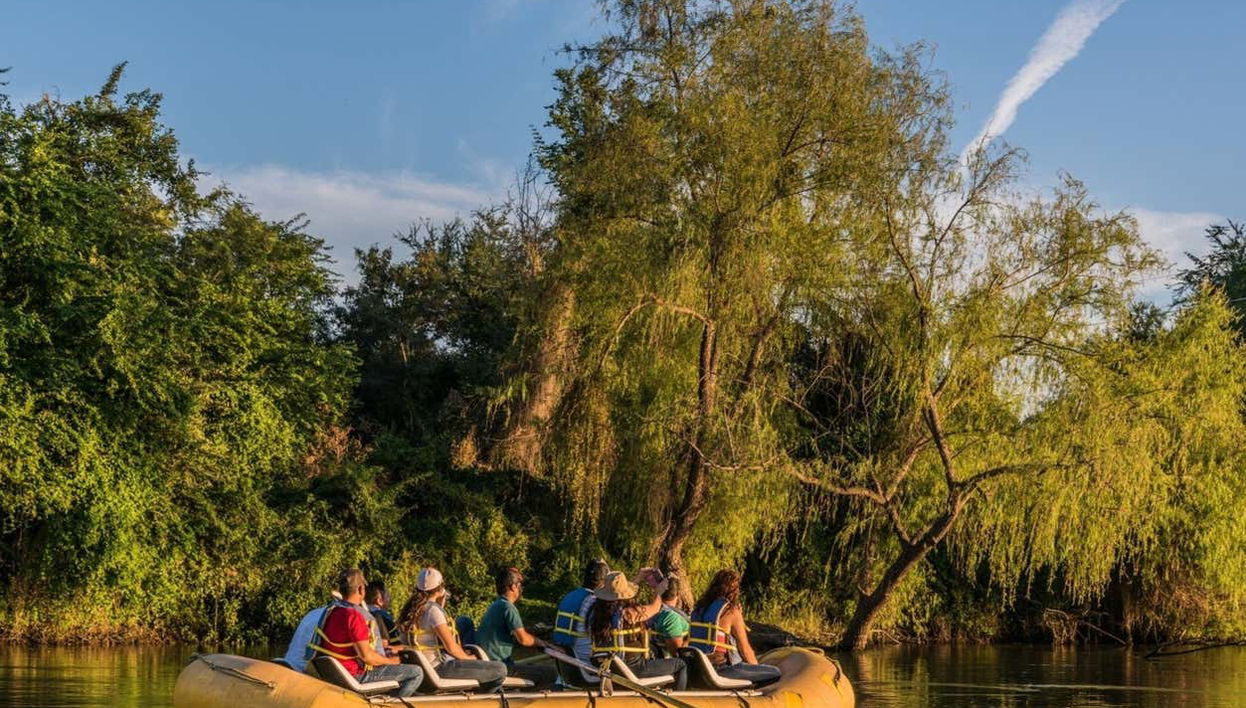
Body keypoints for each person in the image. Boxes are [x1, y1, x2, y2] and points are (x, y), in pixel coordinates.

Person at [307, 568, 424, 697]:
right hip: (355, 676)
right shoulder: (354, 616)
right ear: (361, 589)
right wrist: (394, 661)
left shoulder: (331, 612)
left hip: (335, 674)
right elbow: (367, 657)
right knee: (416, 672)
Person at [399, 566, 508, 691]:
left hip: (423, 667)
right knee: (500, 669)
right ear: (440, 588)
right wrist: (469, 659)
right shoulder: (433, 610)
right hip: (439, 668)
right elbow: (451, 648)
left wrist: (440, 606)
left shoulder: (412, 609)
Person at [583, 569, 688, 690]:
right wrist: (658, 592)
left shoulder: (595, 612)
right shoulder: (629, 613)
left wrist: (639, 577)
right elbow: (655, 607)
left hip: (604, 664)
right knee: (681, 664)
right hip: (632, 667)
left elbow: (618, 592)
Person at [688, 569, 780, 687]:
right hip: (721, 670)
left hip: (698, 668)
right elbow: (745, 650)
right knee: (774, 672)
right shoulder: (731, 612)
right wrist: (756, 668)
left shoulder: (698, 609)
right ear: (734, 591)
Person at [475, 567, 556, 685]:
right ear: (513, 586)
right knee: (550, 673)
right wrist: (543, 643)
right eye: (520, 585)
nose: (521, 588)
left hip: (490, 663)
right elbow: (523, 639)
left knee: (532, 667)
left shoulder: (496, 605)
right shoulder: (508, 608)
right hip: (501, 666)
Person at [552, 559, 609, 651]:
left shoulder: (569, 595)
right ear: (603, 581)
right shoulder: (593, 600)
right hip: (583, 654)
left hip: (563, 649)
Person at [647, 574, 690, 658]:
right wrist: (691, 638)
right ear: (678, 594)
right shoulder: (670, 617)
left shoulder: (649, 612)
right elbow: (677, 653)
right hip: (666, 661)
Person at [366, 579, 401, 644]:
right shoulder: (383, 616)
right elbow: (396, 640)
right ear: (380, 601)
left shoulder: (362, 613)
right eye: (387, 596)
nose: (389, 599)